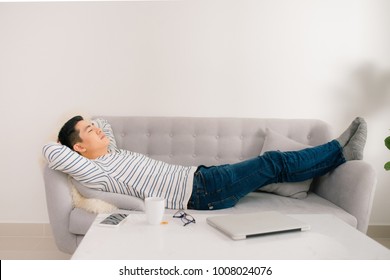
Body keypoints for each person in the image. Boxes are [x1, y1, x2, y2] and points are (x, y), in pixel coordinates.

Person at [43, 116, 367, 210]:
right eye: (89, 131)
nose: (98, 129)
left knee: (273, 166)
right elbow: (52, 152)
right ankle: (338, 151)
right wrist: (63, 143)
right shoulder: (94, 170)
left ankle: (337, 154)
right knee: (273, 163)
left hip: (202, 178)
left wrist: (87, 127)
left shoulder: (110, 152)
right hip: (200, 193)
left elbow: (104, 123)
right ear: (78, 147)